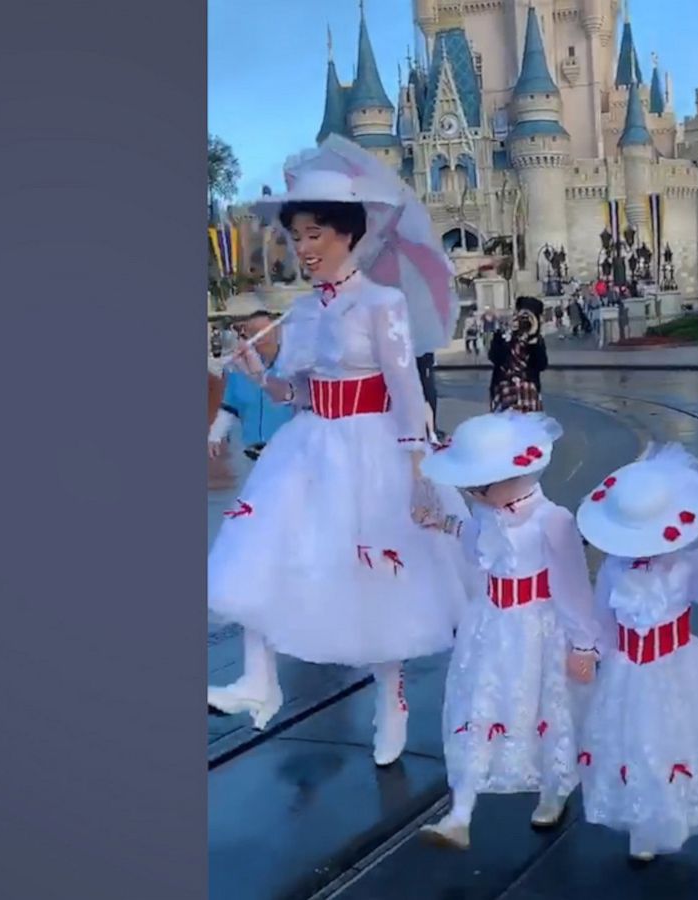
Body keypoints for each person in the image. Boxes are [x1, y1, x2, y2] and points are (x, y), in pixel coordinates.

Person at [207, 137, 473, 769]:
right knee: (265, 549)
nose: (303, 247)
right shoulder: (299, 313)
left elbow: (406, 389)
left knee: (379, 576)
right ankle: (258, 679)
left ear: (348, 234)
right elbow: (295, 392)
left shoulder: (384, 305)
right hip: (310, 445)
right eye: (297, 234)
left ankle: (392, 696)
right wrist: (257, 369)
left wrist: (418, 471)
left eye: (315, 233)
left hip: (372, 446)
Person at [574, 444, 698, 863]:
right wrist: (589, 650)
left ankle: (672, 812)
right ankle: (646, 820)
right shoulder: (614, 569)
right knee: (635, 743)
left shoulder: (687, 565)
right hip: (627, 669)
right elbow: (602, 618)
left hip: (676, 666)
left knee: (674, 740)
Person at [412, 412, 603, 850]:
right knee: (479, 703)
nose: (473, 494)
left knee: (546, 708)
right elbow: (476, 541)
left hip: (538, 626)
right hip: (491, 622)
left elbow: (573, 586)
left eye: (481, 486)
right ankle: (460, 811)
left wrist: (583, 645)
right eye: (472, 488)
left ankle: (553, 789)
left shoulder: (552, 520)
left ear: (512, 476)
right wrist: (442, 523)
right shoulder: (488, 511)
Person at [208, 295, 295, 462]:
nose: (260, 337)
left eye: (263, 330)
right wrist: (215, 436)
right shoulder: (237, 370)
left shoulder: (293, 365)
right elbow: (229, 406)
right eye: (252, 332)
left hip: (289, 453)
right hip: (251, 454)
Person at [488, 296, 549, 413]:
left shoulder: (537, 340)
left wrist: (533, 339)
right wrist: (504, 335)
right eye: (522, 317)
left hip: (528, 395)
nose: (524, 322)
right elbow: (494, 357)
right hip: (504, 392)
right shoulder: (504, 335)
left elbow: (541, 365)